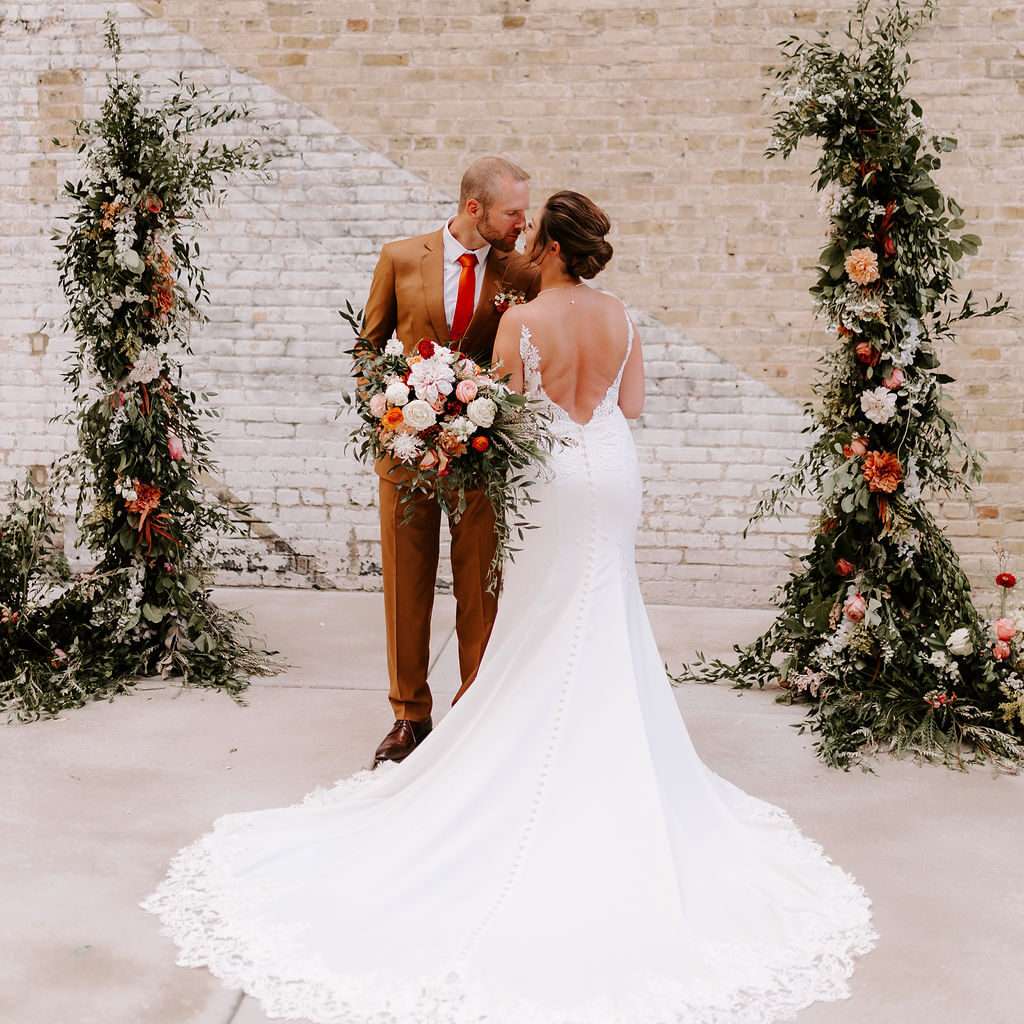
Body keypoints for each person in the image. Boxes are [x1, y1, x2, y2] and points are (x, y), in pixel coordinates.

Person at [141, 191, 878, 1024]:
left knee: (539, 613)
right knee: (606, 610)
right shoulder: (622, 316)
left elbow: (508, 405)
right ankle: (610, 752)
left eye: (531, 232)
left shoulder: (522, 317)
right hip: (613, 475)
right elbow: (629, 407)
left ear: (553, 249)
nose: (521, 240)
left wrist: (451, 404)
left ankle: (517, 745)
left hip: (555, 479)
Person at [360, 156, 541, 767]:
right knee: (405, 588)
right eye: (513, 212)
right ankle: (409, 717)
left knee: (480, 588)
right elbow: (368, 346)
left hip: (481, 457)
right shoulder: (400, 257)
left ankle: (476, 708)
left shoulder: (522, 271)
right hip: (406, 452)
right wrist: (389, 406)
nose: (523, 222)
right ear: (474, 209)